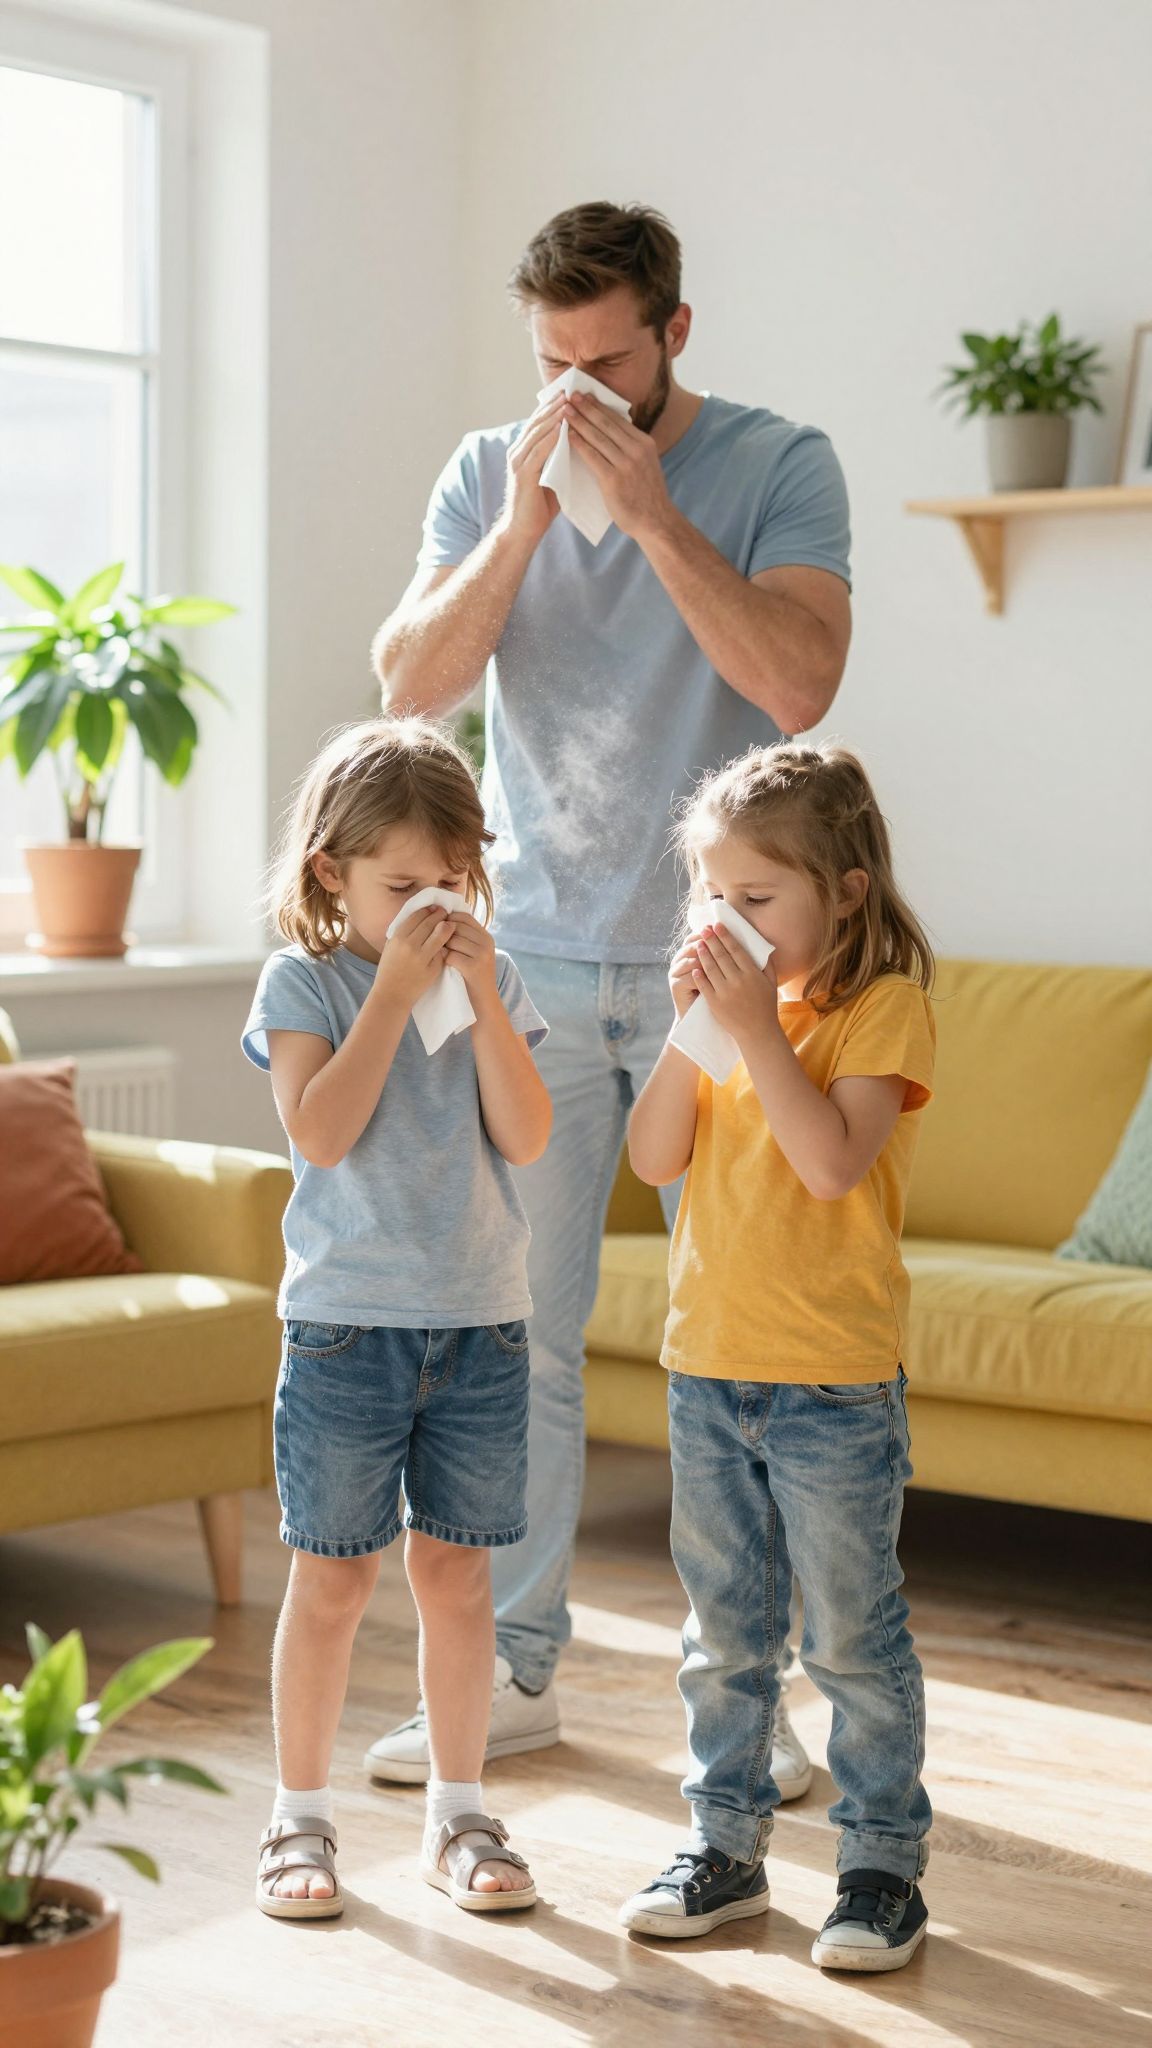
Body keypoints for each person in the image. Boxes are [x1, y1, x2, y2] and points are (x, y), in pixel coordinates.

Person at [367, 201, 851, 1796]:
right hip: (541, 967)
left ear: (676, 334)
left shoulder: (780, 464)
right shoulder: (482, 469)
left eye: (610, 358)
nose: (579, 388)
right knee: (525, 1341)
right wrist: (522, 523)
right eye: (552, 361)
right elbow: (412, 686)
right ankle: (513, 1672)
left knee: (739, 1356)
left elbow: (796, 683)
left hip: (729, 968)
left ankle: (748, 1704)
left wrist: (647, 517)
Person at [619, 741, 936, 1973]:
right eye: (713, 896)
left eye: (758, 900)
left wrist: (753, 1027)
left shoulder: (880, 1009)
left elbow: (828, 1162)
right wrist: (689, 1026)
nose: (727, 920)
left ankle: (879, 1866)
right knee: (723, 1633)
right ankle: (726, 1848)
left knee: (851, 1635)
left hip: (833, 1383)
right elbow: (654, 1158)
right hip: (708, 1365)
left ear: (845, 889)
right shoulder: (725, 1015)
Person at [242, 716, 551, 1920]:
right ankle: (299, 1818)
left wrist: (470, 983)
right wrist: (397, 993)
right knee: (332, 1578)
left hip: (480, 1321)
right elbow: (319, 1129)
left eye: (453, 880)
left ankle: (459, 1808)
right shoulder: (304, 981)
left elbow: (525, 1136)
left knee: (459, 1577)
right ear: (332, 871)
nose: (432, 904)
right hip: (347, 1328)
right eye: (402, 884)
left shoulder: (495, 974)